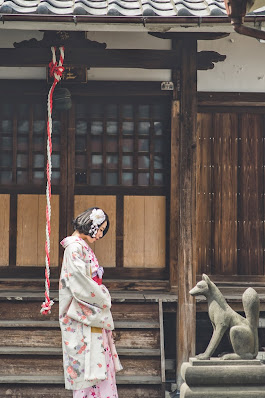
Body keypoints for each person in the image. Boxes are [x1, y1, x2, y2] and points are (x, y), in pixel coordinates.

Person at [59, 207, 122, 398]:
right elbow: (79, 281)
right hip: (83, 313)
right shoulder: (74, 247)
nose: (101, 235)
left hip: (91, 312)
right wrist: (102, 295)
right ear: (90, 225)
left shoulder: (80, 246)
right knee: (88, 363)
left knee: (98, 361)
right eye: (100, 229)